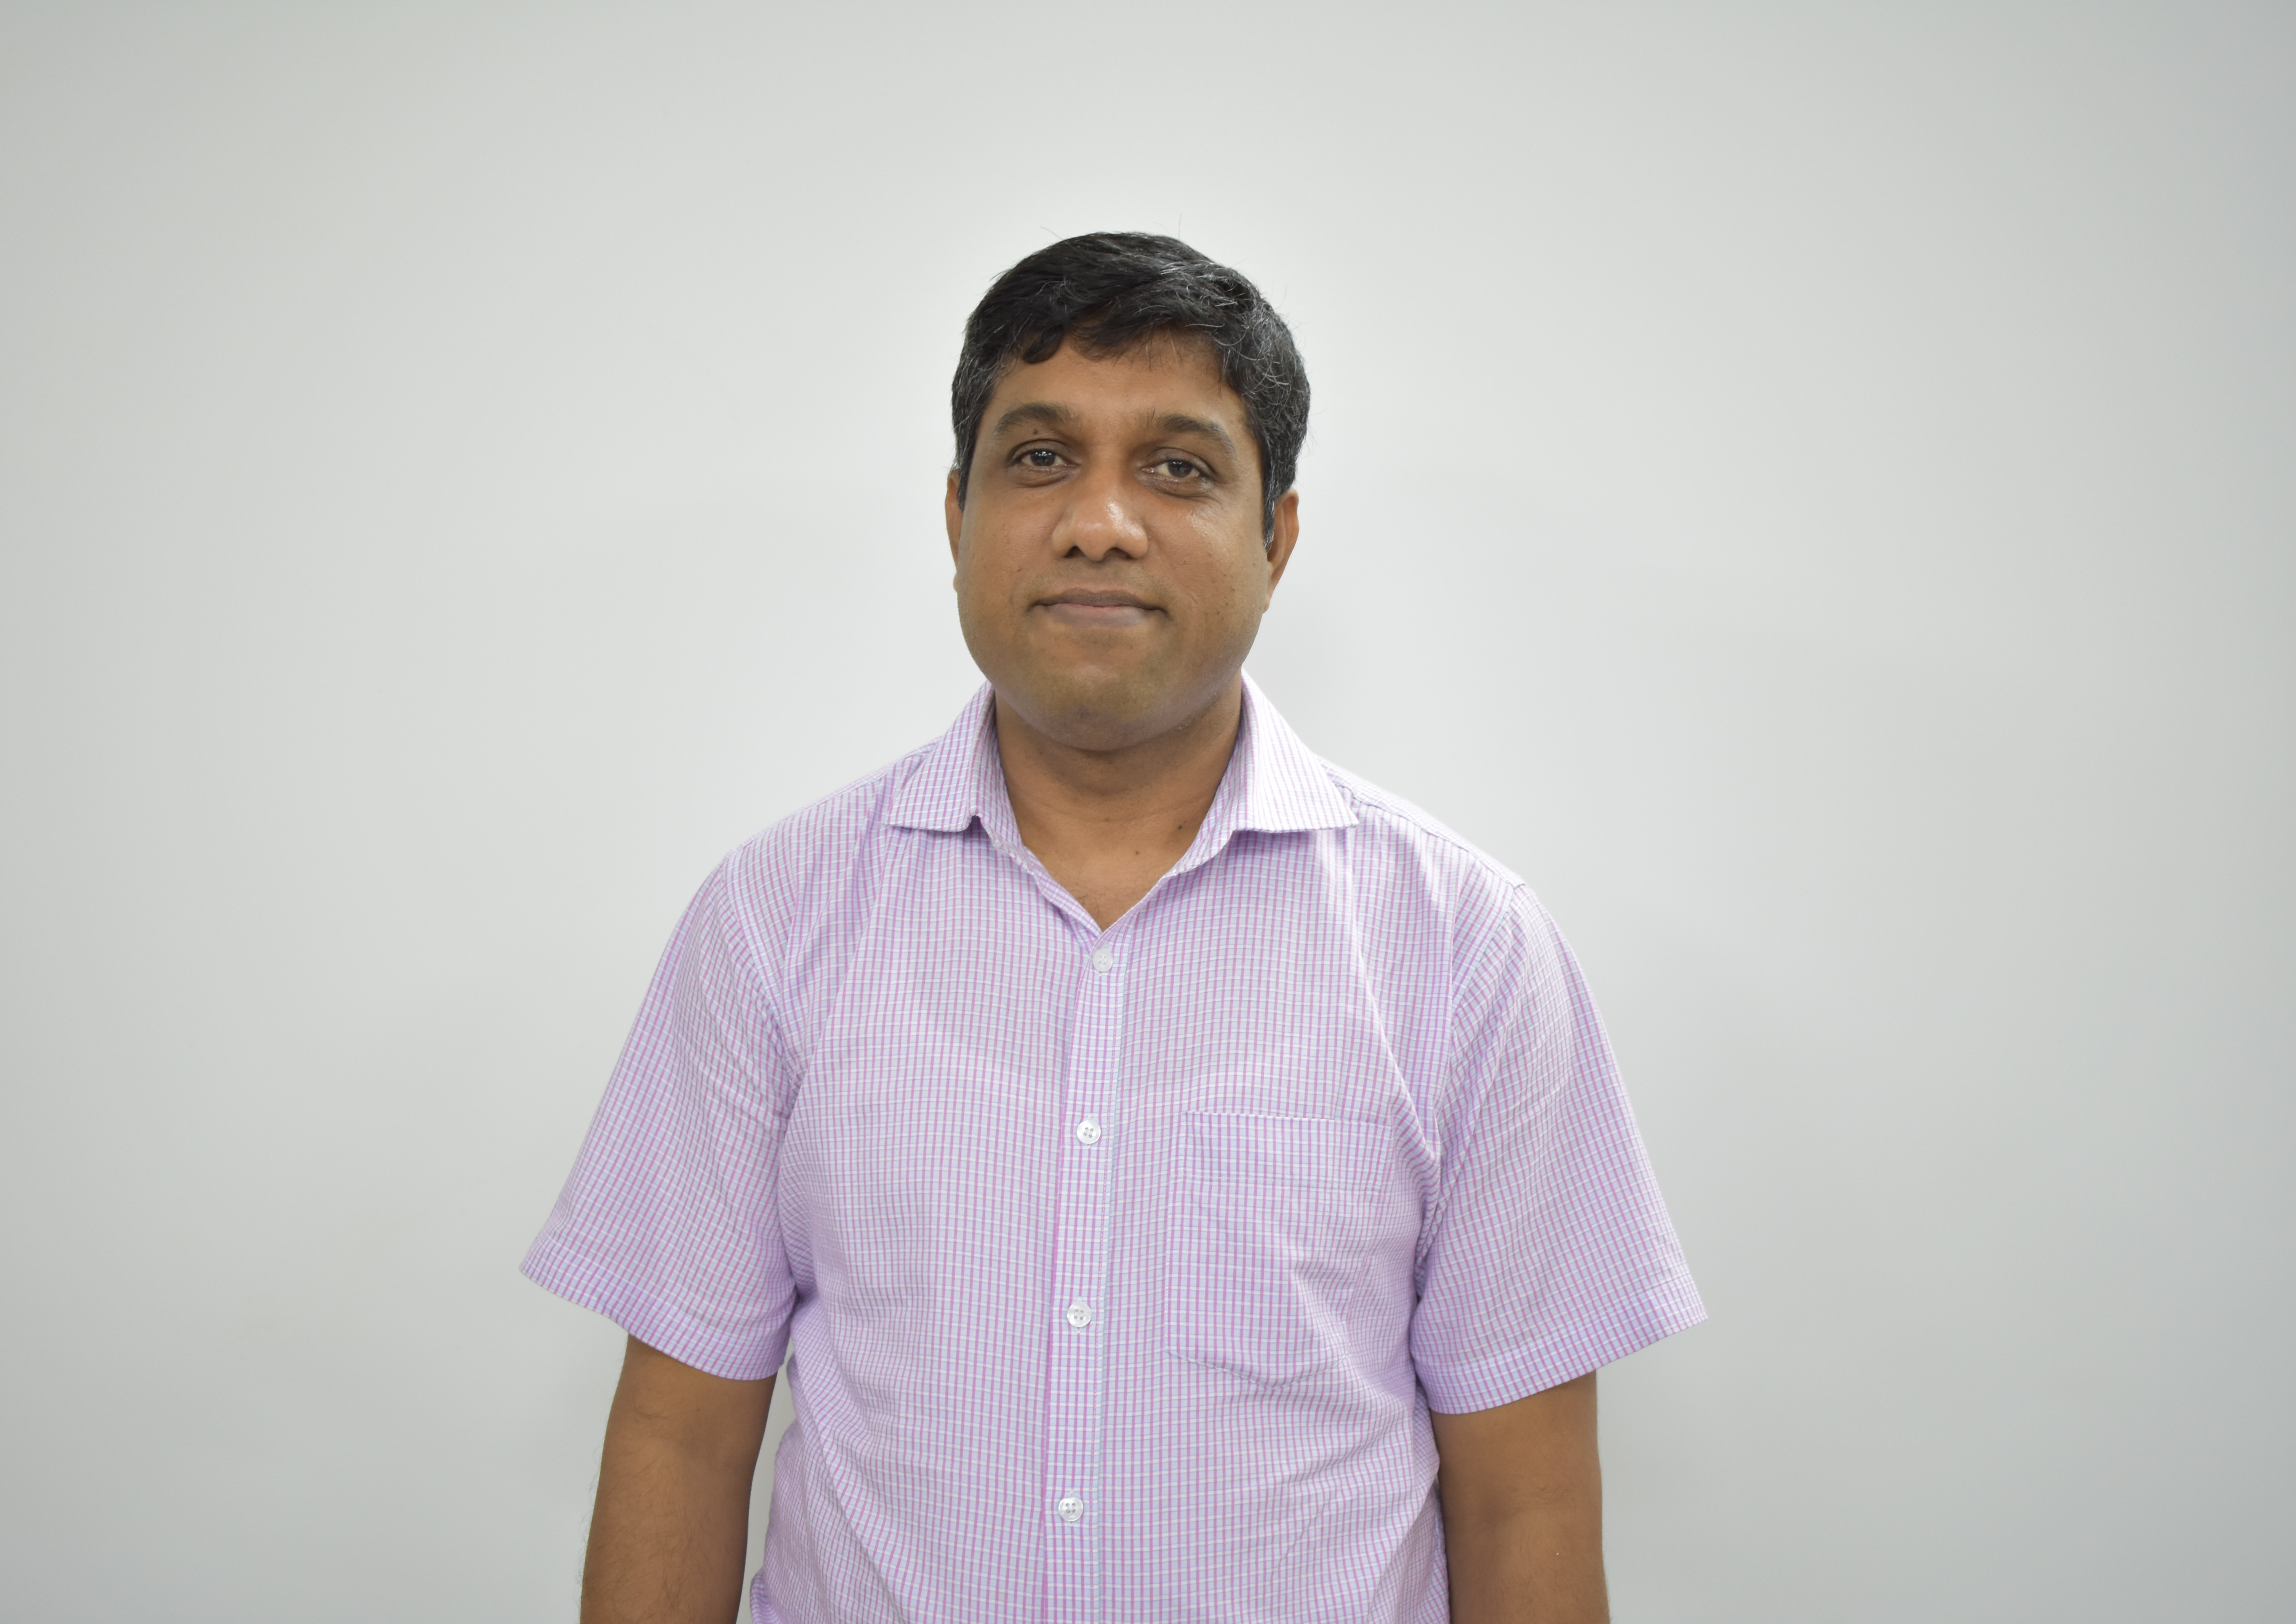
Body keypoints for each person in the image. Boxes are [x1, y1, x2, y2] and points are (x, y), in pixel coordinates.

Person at [524, 232, 1704, 1624]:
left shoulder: (1464, 949)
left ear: (1278, 539)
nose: (1100, 522)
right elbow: (680, 1439)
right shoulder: (773, 919)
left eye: (1179, 469)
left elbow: (1526, 1501)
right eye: (1040, 459)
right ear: (955, 515)